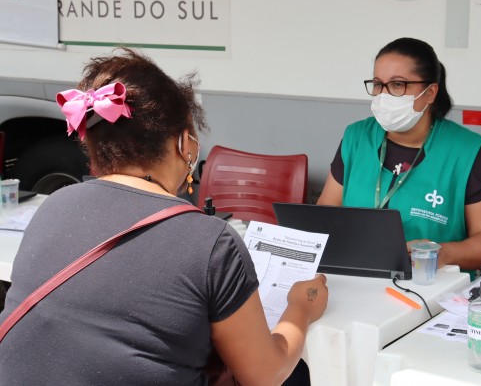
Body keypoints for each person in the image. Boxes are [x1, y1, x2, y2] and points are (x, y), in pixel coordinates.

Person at [0, 48, 328, 386]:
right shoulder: (209, 241)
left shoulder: (53, 206)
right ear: (185, 145)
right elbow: (264, 375)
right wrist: (300, 308)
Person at [317, 37, 481, 273]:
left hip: (431, 285)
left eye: (398, 85)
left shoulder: (466, 151)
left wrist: (443, 253)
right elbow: (325, 214)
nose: (383, 95)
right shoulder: (356, 138)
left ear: (430, 93)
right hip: (357, 276)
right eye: (378, 84)